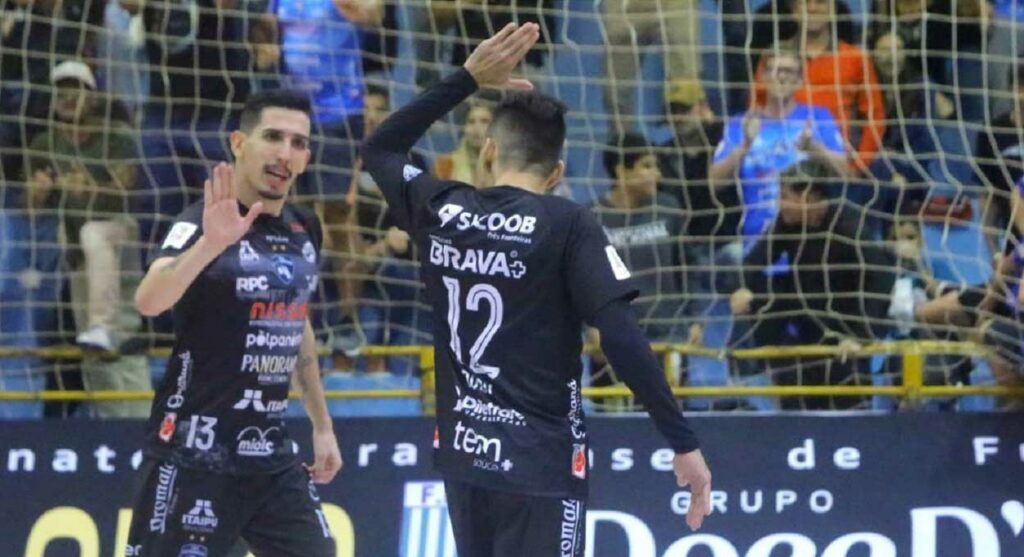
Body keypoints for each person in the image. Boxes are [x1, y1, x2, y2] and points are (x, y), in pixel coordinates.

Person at [361, 23, 711, 556]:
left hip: (465, 457)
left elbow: (380, 148)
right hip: (541, 464)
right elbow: (621, 337)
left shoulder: (440, 207)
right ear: (558, 172)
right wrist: (681, 441)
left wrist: (468, 78)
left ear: (488, 151)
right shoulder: (569, 223)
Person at [126, 90, 341, 555]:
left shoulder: (305, 227)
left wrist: (322, 425)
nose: (285, 154)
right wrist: (212, 243)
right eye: (273, 137)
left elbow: (295, 321)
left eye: (298, 143)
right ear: (239, 143)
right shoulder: (200, 222)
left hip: (269, 454)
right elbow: (149, 300)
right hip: (192, 453)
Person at [23, 60, 150, 417]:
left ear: (92, 97)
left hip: (120, 236)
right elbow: (30, 209)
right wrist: (38, 192)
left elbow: (126, 190)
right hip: (80, 253)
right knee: (93, 350)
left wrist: (89, 187)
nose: (67, 97)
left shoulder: (117, 135)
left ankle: (142, 422)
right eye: (61, 91)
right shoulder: (45, 142)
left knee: (121, 337)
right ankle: (111, 426)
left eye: (75, 90)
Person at [729, 160, 895, 410]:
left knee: (848, 407)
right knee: (762, 292)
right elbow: (753, 261)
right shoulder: (787, 223)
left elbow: (882, 278)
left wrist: (859, 336)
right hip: (806, 326)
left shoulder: (847, 227)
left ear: (809, 196)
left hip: (847, 330)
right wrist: (742, 288)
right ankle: (766, 364)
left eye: (785, 197)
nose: (779, 204)